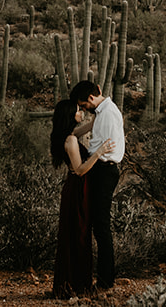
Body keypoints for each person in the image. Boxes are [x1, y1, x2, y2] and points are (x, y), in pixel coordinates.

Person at [51, 97, 112, 299]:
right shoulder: (69, 141)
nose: (81, 112)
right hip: (78, 188)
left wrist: (98, 118)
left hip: (74, 189)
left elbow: (82, 130)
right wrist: (100, 152)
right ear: (70, 115)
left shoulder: (67, 136)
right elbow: (80, 170)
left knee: (75, 233)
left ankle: (72, 282)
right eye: (78, 110)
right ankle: (76, 285)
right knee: (78, 234)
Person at [69, 80, 125, 292]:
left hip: (103, 170)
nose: (83, 109)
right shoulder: (102, 113)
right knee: (98, 225)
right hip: (100, 169)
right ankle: (103, 278)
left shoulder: (108, 113)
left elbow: (103, 147)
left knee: (101, 226)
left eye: (83, 105)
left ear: (92, 98)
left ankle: (105, 280)